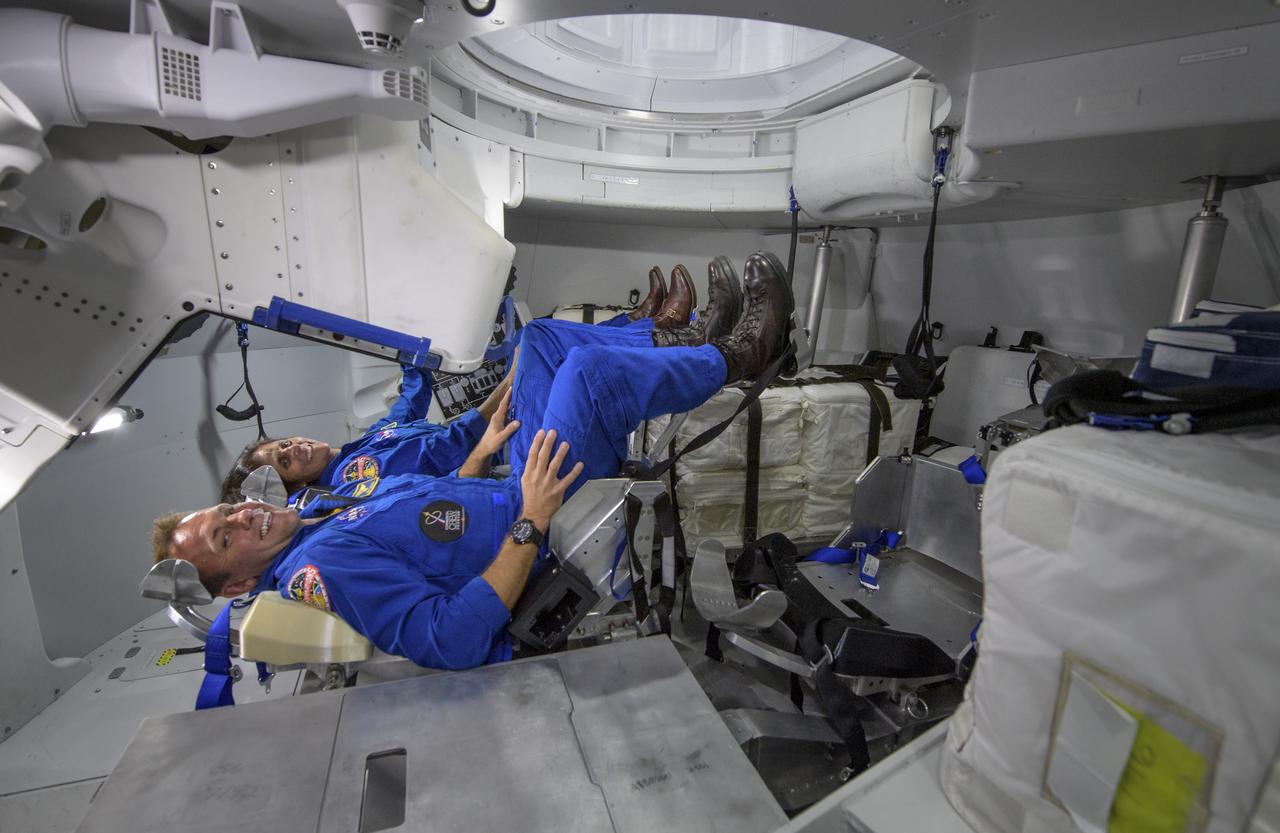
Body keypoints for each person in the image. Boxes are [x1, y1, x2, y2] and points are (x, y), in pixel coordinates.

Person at [152, 252, 793, 670]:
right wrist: (532, 519)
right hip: (541, 520)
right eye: (225, 537)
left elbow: (414, 519)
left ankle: (685, 337)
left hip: (515, 481)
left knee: (539, 342)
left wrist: (476, 457)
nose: (245, 516)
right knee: (587, 373)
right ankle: (741, 354)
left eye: (229, 510)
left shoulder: (315, 512)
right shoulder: (320, 566)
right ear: (237, 584)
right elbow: (451, 639)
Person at [217, 361, 513, 505]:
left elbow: (409, 405)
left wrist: (411, 353)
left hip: (501, 435)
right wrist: (509, 384)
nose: (292, 448)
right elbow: (446, 449)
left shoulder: (356, 448)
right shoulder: (351, 475)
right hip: (505, 455)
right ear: (295, 487)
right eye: (284, 462)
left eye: (283, 444)